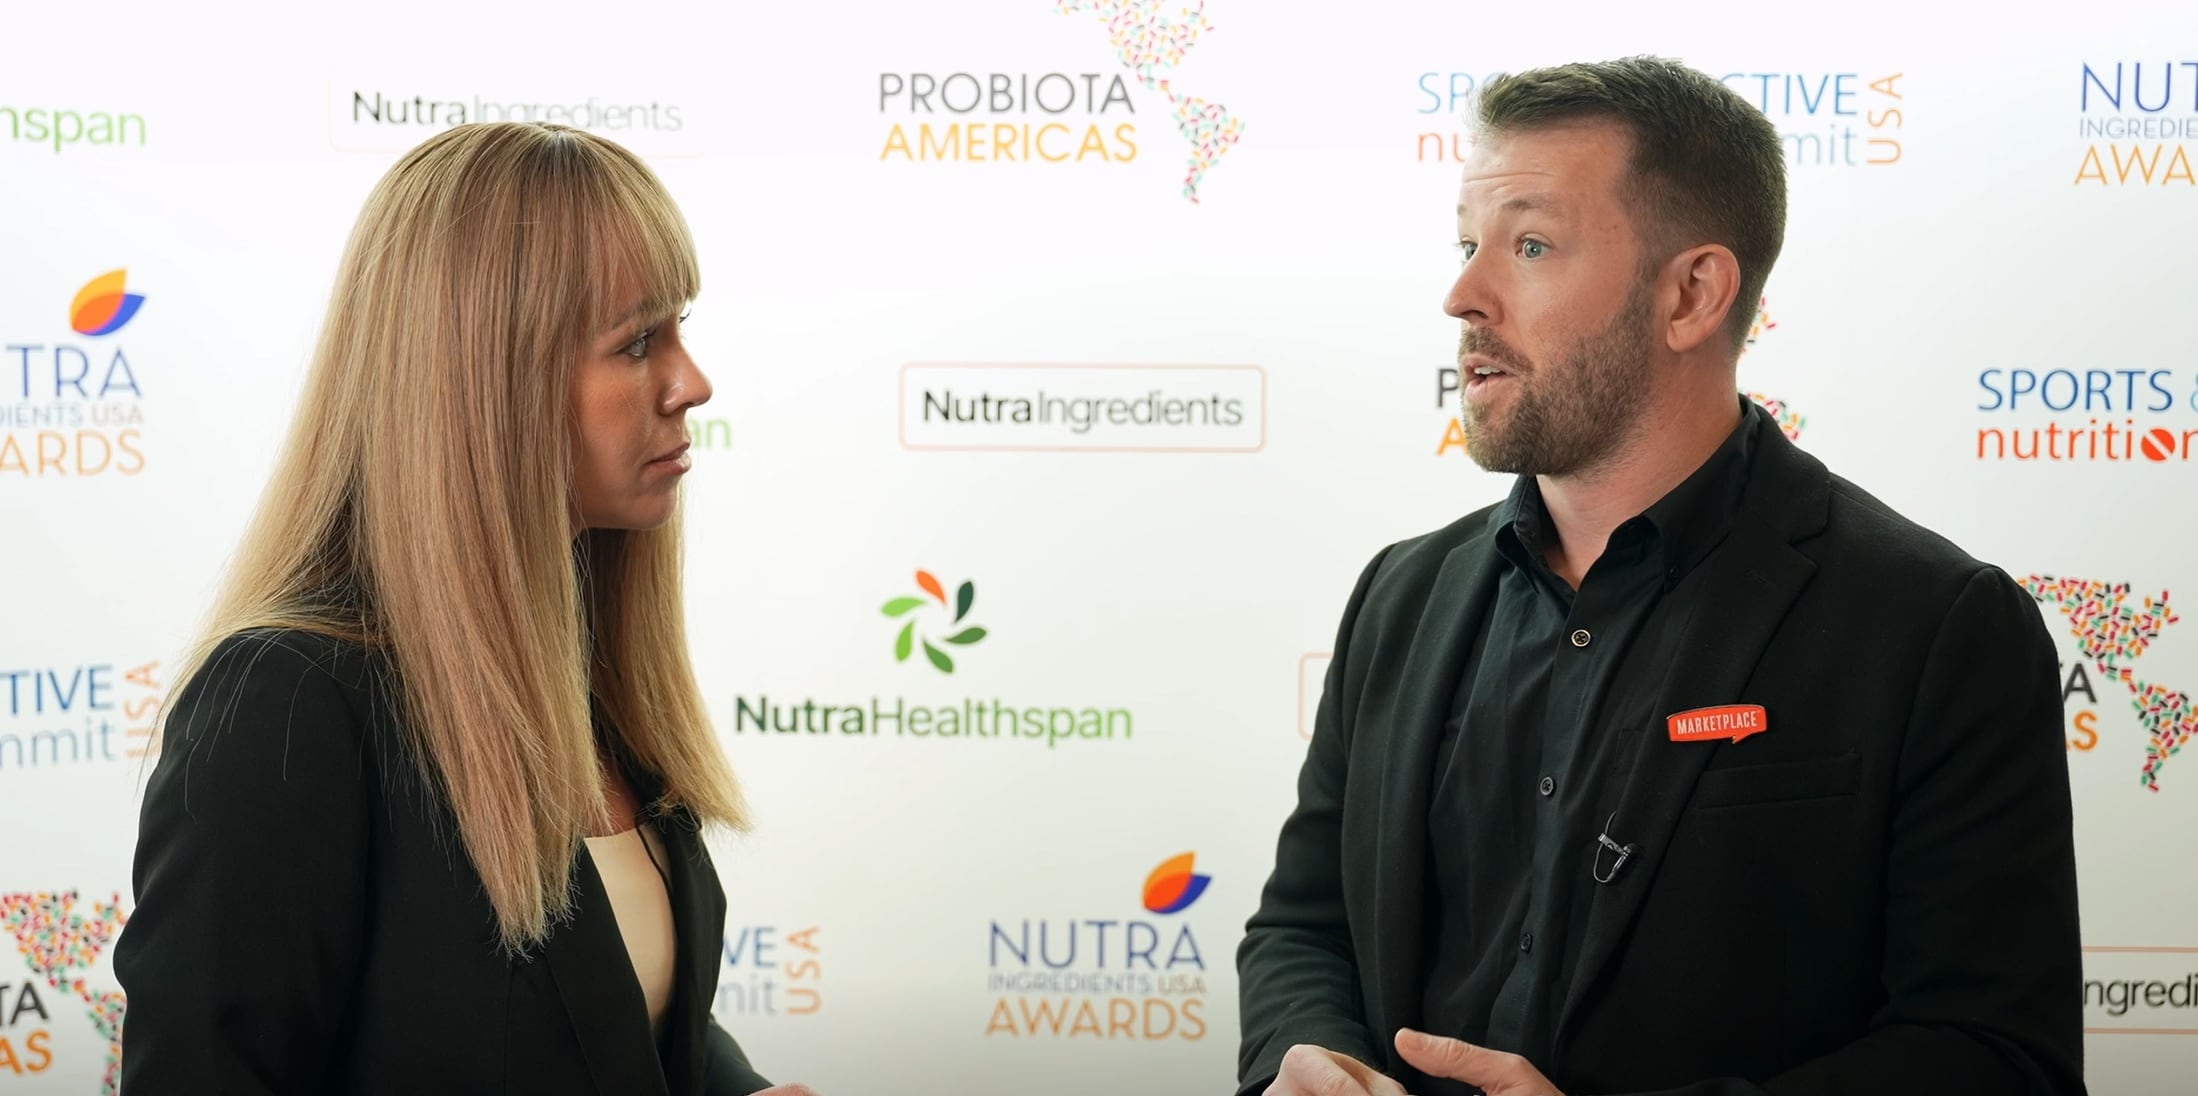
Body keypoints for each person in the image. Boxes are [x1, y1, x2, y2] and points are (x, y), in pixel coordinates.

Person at [1237, 57, 2082, 1096]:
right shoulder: (1401, 596)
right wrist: (1309, 1061)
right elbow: (1305, 925)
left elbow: (1995, 1055)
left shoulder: (1937, 625)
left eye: (1529, 246)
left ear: (1691, 294)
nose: (1461, 296)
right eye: (1466, 245)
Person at [115, 122, 817, 1096]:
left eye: (679, 331)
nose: (691, 384)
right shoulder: (288, 706)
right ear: (489, 379)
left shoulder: (586, 670)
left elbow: (625, 1017)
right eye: (637, 342)